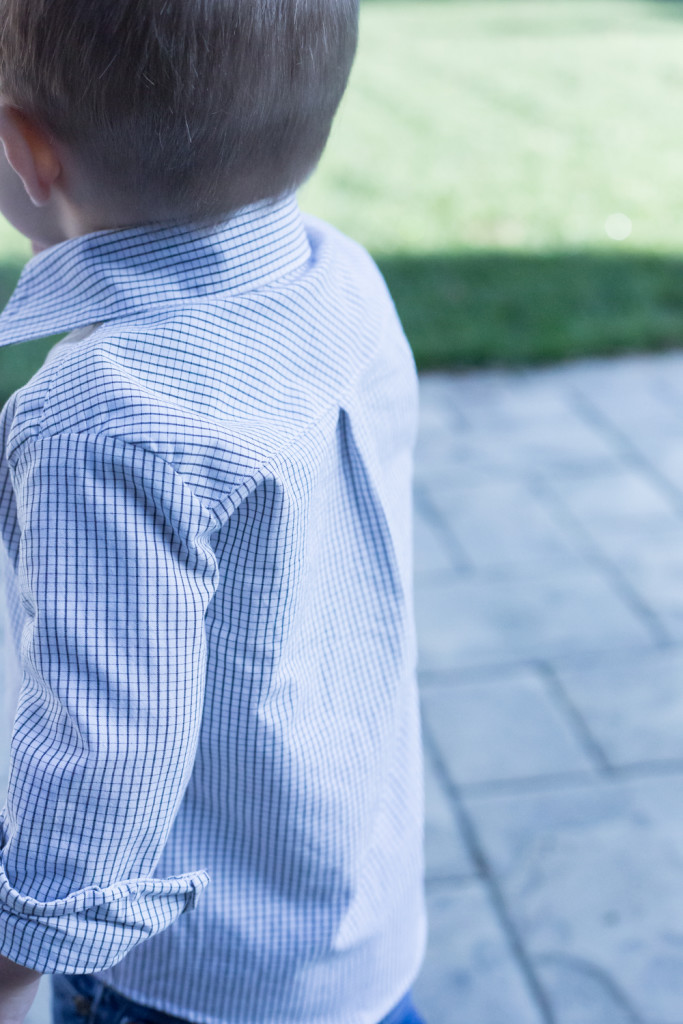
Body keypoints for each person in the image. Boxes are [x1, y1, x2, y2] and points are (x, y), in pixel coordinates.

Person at [0, 2, 427, 1023]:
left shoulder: (103, 421)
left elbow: (105, 763)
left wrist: (17, 963)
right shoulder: (339, 278)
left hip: (192, 981)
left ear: (26, 149)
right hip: (350, 921)